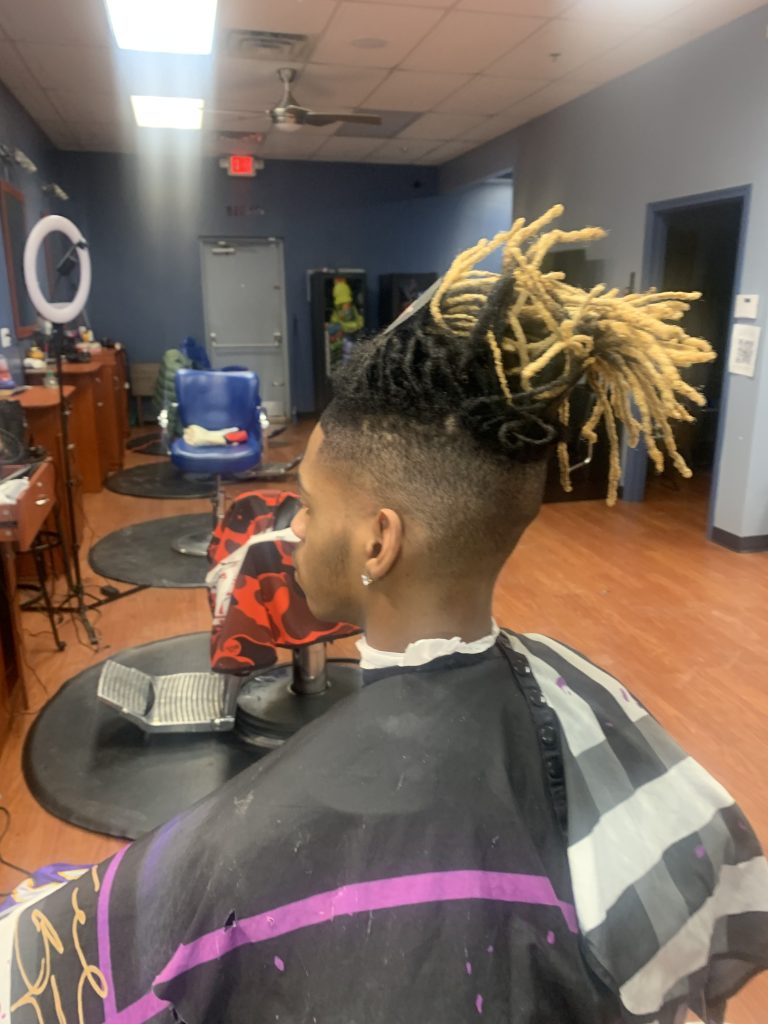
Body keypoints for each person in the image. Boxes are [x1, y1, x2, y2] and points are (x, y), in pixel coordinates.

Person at [2, 206, 767, 1024]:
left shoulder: (264, 845)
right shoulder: (588, 692)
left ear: (377, 542)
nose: (293, 531)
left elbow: (47, 972)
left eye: (309, 507)